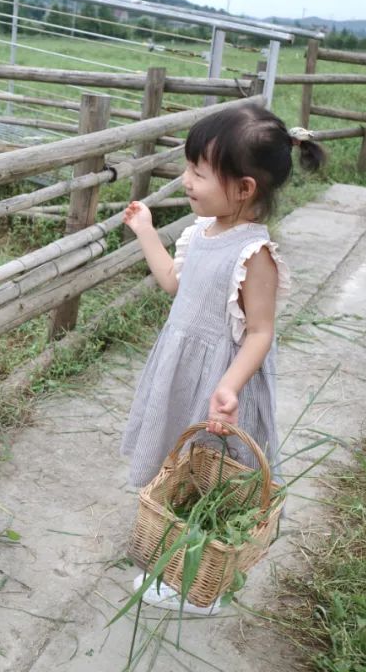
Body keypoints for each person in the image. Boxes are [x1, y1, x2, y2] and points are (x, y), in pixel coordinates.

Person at [119, 103, 326, 488]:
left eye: (198, 173)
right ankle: (171, 514)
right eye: (188, 169)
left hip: (220, 377)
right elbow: (173, 282)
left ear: (244, 188)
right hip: (181, 368)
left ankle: (208, 535)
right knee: (176, 453)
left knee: (214, 468)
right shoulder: (200, 232)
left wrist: (228, 386)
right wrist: (146, 230)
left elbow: (261, 332)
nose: (186, 180)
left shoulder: (254, 254)